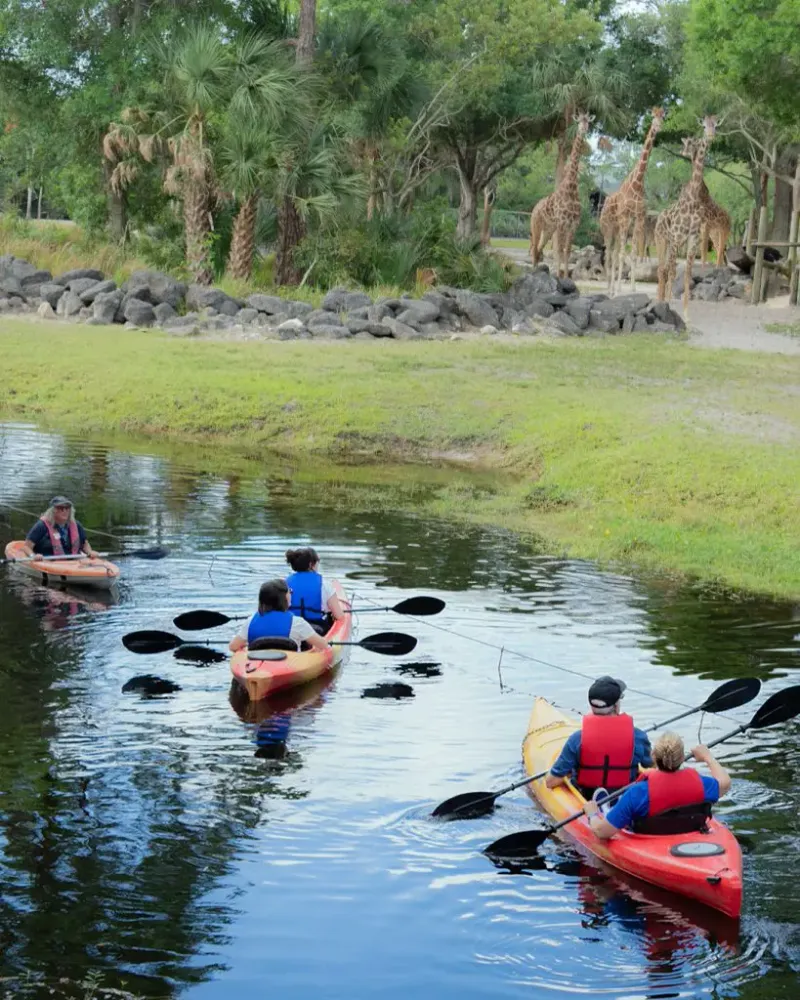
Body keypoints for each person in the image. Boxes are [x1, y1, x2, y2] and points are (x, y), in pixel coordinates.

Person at [584, 732, 730, 838]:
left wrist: (592, 814)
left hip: (649, 838)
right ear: (681, 758)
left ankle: (605, 809)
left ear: (653, 756)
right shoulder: (701, 783)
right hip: (688, 831)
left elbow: (602, 832)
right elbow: (725, 784)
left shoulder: (637, 793)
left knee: (615, 809)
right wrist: (707, 757)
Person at [546, 676, 652, 798]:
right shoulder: (638, 737)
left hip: (587, 799)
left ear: (592, 706)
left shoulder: (576, 739)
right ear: (616, 706)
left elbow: (551, 782)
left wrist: (569, 773)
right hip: (624, 801)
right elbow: (651, 766)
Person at [229, 578, 330, 654]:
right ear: (285, 598)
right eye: (289, 592)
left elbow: (233, 647)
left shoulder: (250, 621)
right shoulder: (298, 622)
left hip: (256, 664)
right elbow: (324, 645)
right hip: (290, 666)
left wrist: (245, 646)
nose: (291, 595)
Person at [284, 547, 344, 634]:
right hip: (317, 629)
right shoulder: (324, 584)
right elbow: (339, 616)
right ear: (311, 564)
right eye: (317, 562)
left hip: (291, 628)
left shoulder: (284, 584)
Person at [23, 496, 99, 560]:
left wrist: (89, 551)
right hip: (48, 561)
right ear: (53, 511)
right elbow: (26, 546)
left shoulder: (76, 525)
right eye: (61, 508)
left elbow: (85, 544)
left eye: (67, 508)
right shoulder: (41, 525)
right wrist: (33, 556)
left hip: (73, 562)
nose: (65, 511)